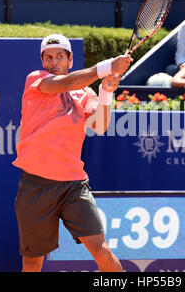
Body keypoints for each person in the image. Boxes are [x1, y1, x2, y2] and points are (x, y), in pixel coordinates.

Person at [12, 34, 132, 272]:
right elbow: (65, 84)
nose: (53, 62)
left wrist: (106, 92)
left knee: (102, 250)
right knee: (33, 263)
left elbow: (99, 125)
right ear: (42, 61)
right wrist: (106, 66)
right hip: (35, 185)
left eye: (59, 56)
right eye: (48, 57)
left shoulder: (85, 93)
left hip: (73, 186)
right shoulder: (36, 79)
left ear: (70, 59)